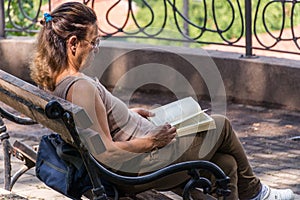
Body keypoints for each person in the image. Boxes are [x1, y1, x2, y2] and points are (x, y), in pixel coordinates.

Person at [30, 2, 295, 200]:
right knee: (220, 125)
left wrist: (126, 114)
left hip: (129, 163)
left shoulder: (60, 82)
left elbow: (95, 130)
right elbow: (105, 152)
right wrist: (151, 141)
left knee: (226, 165)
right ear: (73, 43)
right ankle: (258, 194)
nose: (95, 49)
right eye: (94, 42)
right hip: (133, 171)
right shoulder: (81, 87)